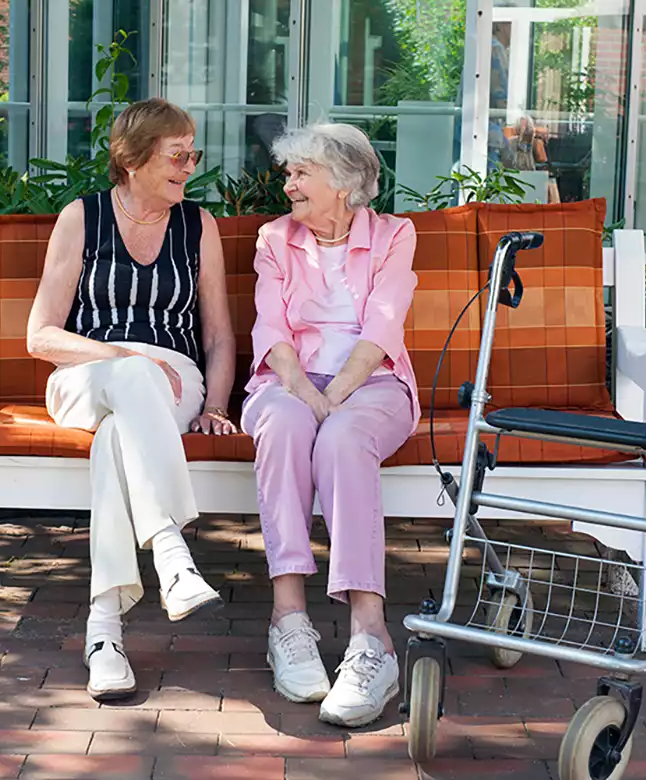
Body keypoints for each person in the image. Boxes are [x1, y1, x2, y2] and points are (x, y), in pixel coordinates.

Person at [26, 98, 238, 702]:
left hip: (173, 381)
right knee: (131, 384)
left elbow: (219, 335)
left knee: (119, 440)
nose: (190, 165)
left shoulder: (198, 226)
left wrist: (215, 406)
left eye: (193, 153)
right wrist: (124, 359)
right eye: (179, 154)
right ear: (135, 157)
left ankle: (104, 634)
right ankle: (170, 548)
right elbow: (40, 336)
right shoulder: (81, 218)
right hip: (86, 374)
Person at [240, 122, 420, 728]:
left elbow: (383, 327)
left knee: (344, 438)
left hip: (373, 383)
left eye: (299, 174)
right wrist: (305, 396)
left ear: (343, 184)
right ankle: (288, 622)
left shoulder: (396, 235)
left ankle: (373, 642)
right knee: (286, 429)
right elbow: (273, 331)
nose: (287, 184)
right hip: (287, 384)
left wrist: (336, 398)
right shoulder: (274, 238)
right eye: (289, 172)